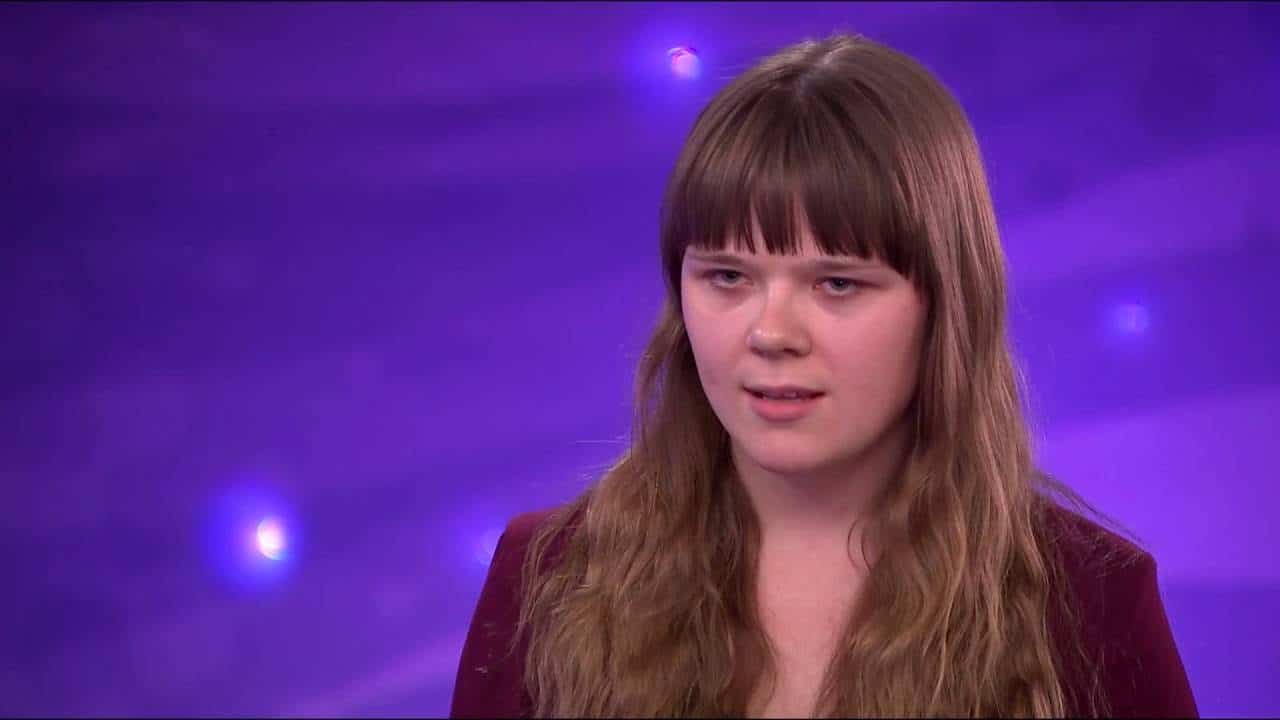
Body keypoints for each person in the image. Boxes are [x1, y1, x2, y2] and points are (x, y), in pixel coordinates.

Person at [449, 32, 1198, 718]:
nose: (771, 333)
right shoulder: (545, 577)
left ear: (945, 304)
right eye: (727, 277)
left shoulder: (1092, 602)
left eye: (836, 283)